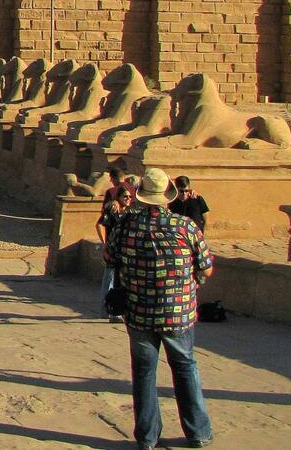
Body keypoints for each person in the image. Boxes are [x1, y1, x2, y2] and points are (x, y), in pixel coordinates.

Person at [105, 168, 215, 450]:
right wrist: (192, 282)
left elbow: (110, 257)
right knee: (185, 367)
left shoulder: (126, 226)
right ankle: (198, 432)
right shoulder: (185, 226)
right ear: (168, 196)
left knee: (144, 372)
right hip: (178, 311)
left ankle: (147, 437)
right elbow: (205, 267)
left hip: (139, 310)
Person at [96, 185, 134, 322]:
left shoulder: (128, 212)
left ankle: (115, 310)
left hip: (124, 251)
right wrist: (105, 243)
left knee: (119, 281)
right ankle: (107, 310)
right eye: (125, 196)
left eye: (130, 197)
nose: (128, 199)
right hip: (113, 251)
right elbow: (99, 224)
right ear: (118, 197)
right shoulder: (113, 210)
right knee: (110, 279)